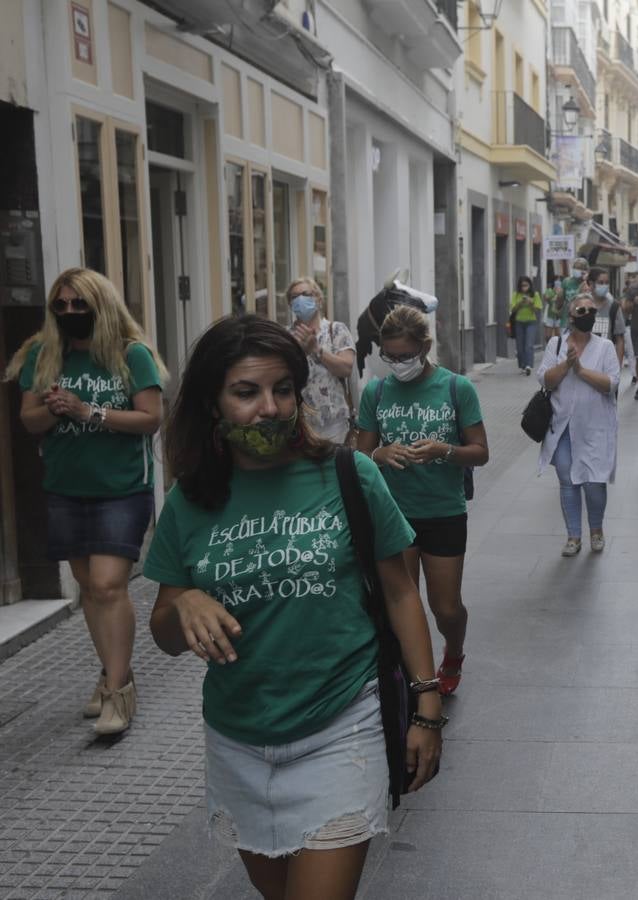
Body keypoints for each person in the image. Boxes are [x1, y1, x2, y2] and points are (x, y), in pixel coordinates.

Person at [144, 315, 443, 898]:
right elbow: (162, 632)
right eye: (246, 392)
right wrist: (184, 602)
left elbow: (403, 591)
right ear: (213, 403)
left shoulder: (348, 474)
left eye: (283, 389)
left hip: (342, 726)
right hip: (237, 739)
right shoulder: (190, 499)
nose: (271, 408)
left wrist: (427, 707)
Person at [6, 267, 166, 735]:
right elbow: (29, 421)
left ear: (101, 305)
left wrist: (87, 411)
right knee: (88, 587)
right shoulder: (43, 353)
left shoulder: (129, 354)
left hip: (122, 487)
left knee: (110, 583)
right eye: (62, 305)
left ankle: (118, 693)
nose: (71, 312)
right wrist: (52, 410)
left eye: (80, 304)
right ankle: (115, 672)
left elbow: (150, 418)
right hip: (65, 487)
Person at [355, 305, 488, 695]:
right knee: (403, 604)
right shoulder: (376, 392)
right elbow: (359, 456)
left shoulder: (455, 388)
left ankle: (455, 650)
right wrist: (380, 455)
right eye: (389, 357)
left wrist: (443, 451)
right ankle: (418, 678)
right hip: (393, 514)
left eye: (405, 356)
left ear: (425, 346)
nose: (397, 364)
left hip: (443, 512)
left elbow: (480, 451)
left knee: (445, 608)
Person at [536, 293, 620, 556]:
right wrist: (567, 364)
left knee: (594, 482)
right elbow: (546, 381)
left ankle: (596, 529)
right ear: (571, 317)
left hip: (595, 427)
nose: (587, 315)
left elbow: (611, 383)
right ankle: (573, 536)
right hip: (561, 428)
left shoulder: (605, 347)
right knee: (567, 480)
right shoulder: (556, 343)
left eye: (591, 310)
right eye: (581, 310)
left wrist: (581, 371)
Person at [286, 277, 356, 445]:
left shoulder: (336, 330)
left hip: (334, 422)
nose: (300, 299)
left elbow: (346, 368)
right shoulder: (285, 336)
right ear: (290, 304)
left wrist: (316, 350)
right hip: (299, 422)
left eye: (305, 294)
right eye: (294, 297)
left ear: (317, 298)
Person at [586, 267, 627, 364]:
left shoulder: (614, 307)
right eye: (600, 282)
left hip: (606, 362)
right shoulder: (582, 305)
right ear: (591, 284)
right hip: (585, 361)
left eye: (606, 283)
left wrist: (617, 366)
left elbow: (620, 340)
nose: (604, 286)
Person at [509, 276, 544, 376]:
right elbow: (513, 310)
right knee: (520, 347)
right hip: (519, 322)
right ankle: (522, 366)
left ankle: (529, 365)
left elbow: (537, 310)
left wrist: (530, 302)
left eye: (526, 285)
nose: (524, 288)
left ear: (530, 285)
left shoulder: (535, 295)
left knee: (529, 345)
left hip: (531, 322)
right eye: (522, 286)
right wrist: (520, 303)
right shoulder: (516, 295)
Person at [541, 278, 565, 343]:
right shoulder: (550, 291)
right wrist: (552, 296)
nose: (558, 288)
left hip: (559, 316)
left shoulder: (562, 293)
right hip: (550, 316)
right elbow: (545, 297)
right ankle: (549, 347)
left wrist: (559, 296)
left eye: (559, 286)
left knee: (558, 335)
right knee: (548, 336)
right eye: (556, 286)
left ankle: (558, 348)